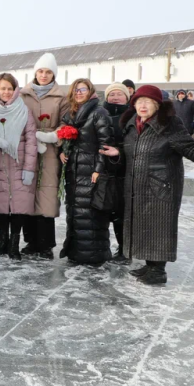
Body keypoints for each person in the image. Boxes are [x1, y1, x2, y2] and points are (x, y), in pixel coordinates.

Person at [100, 85, 194, 285]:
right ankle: (150, 265)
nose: (143, 106)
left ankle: (158, 270)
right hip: (137, 185)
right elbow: (133, 152)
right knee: (143, 225)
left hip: (162, 185)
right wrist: (118, 152)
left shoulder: (170, 124)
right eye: (139, 102)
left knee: (159, 226)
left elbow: (189, 148)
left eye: (148, 102)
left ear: (157, 105)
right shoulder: (132, 124)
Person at [58, 78, 114, 265]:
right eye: (76, 90)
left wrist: (98, 169)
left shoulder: (99, 113)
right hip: (74, 172)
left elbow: (105, 144)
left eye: (83, 89)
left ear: (90, 91)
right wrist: (61, 152)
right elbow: (66, 141)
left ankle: (93, 255)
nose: (79, 93)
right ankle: (76, 252)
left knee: (91, 215)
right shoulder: (71, 113)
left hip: (90, 170)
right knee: (75, 213)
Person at [20, 53, 69, 259]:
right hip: (27, 149)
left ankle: (46, 244)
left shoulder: (61, 97)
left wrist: (51, 136)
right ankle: (31, 241)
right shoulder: (23, 95)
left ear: (53, 74)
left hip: (50, 152)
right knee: (27, 194)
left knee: (47, 195)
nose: (43, 75)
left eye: (48, 72)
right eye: (40, 71)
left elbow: (66, 123)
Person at [0, 74, 37, 260]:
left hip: (19, 163)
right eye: (3, 88)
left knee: (18, 206)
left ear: (15, 90)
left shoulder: (24, 110)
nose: (6, 92)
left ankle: (14, 245)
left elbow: (31, 140)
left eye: (10, 88)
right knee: (2, 205)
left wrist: (29, 168)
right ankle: (3, 242)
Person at [101, 82, 132, 264]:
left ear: (126, 97)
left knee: (122, 212)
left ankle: (124, 249)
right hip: (103, 169)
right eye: (111, 94)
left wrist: (119, 151)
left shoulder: (131, 116)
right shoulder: (100, 114)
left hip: (124, 171)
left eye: (119, 94)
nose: (115, 97)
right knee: (104, 210)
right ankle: (101, 248)